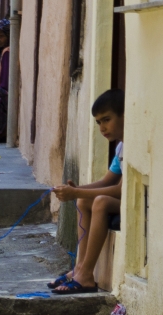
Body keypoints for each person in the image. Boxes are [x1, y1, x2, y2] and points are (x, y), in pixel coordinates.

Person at [49, 89, 125, 294]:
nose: (102, 127)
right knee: (83, 201)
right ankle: (79, 268)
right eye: (99, 122)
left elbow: (120, 190)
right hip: (124, 200)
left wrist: (76, 193)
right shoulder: (121, 148)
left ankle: (86, 275)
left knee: (100, 202)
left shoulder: (134, 146)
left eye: (107, 120)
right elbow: (107, 181)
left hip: (140, 203)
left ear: (125, 115)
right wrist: (76, 191)